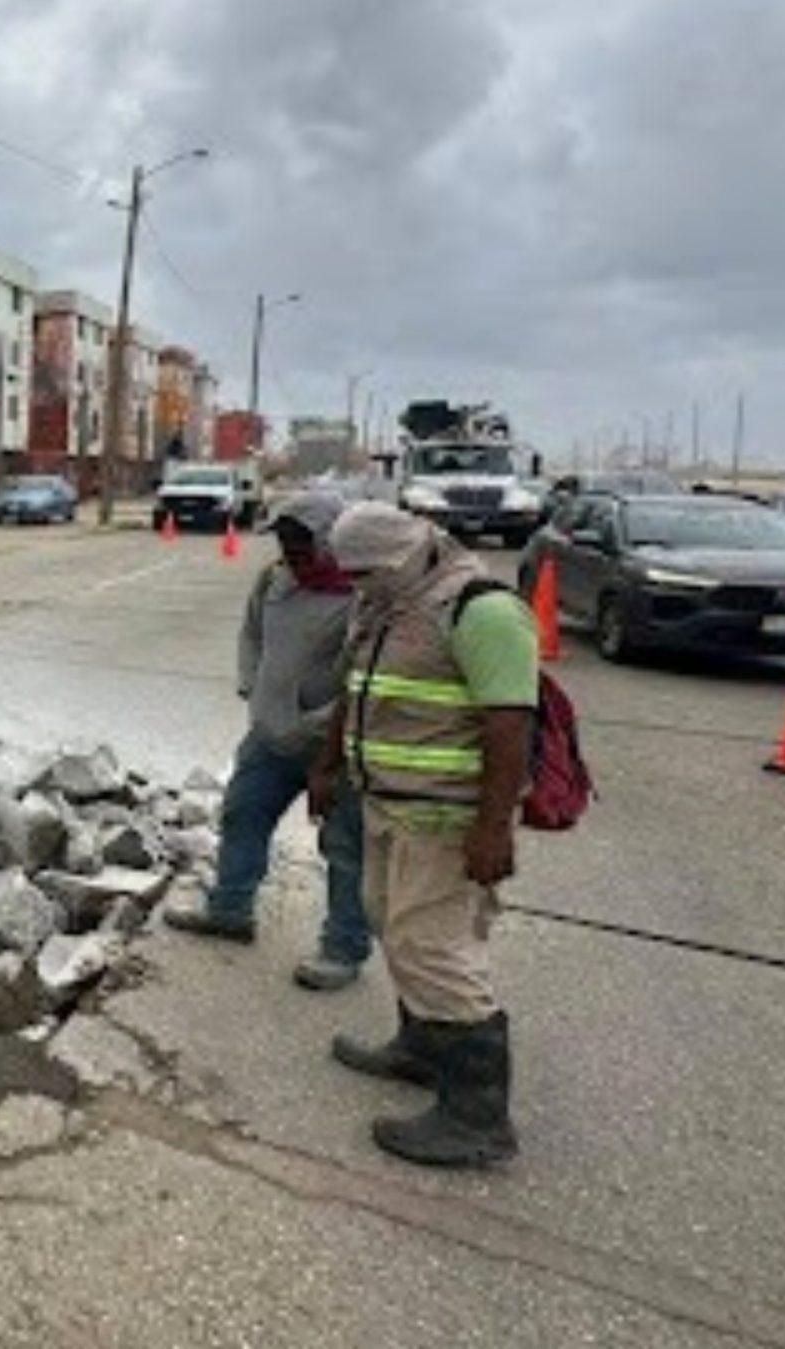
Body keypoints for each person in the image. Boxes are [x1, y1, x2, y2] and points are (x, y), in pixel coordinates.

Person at [312, 501, 540, 1168]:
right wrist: (329, 763)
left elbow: (509, 723)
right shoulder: (386, 601)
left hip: (446, 817)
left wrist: (493, 826)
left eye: (364, 573)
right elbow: (356, 687)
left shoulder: (482, 610)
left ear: (402, 556)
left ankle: (478, 1117)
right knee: (390, 921)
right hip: (385, 800)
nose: (356, 585)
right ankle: (421, 1046)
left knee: (436, 946)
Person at [163, 492, 372, 989]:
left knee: (345, 848)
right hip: (269, 738)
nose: (292, 556)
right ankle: (230, 910)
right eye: (285, 544)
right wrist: (251, 683)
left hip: (333, 748)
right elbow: (251, 633)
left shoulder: (361, 597)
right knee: (241, 814)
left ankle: (343, 949)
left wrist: (318, 730)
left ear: (329, 543)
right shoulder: (274, 579)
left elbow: (363, 681)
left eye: (302, 546)